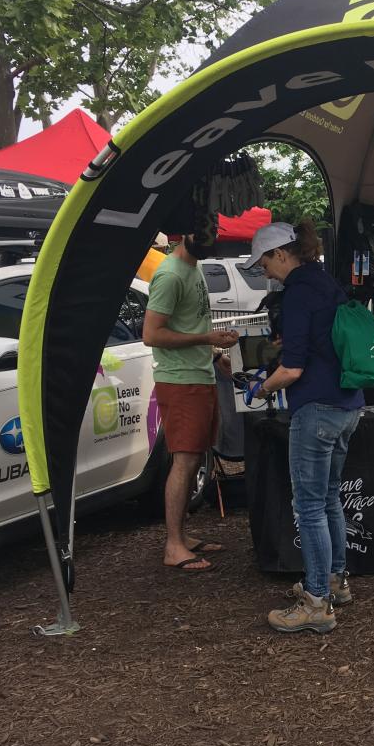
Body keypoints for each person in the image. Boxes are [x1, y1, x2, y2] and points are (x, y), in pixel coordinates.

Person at [245, 221, 364, 635]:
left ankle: (316, 602)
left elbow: (293, 369)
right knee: (329, 499)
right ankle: (335, 581)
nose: (264, 272)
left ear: (281, 254)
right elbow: (321, 344)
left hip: (315, 408)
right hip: (348, 404)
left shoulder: (296, 291)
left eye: (264, 263)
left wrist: (262, 388)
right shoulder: (326, 282)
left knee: (309, 506)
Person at [142, 227, 239, 572]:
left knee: (195, 458)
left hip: (200, 374)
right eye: (205, 231)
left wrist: (213, 352)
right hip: (180, 382)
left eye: (214, 231)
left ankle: (182, 536)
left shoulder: (193, 266)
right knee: (184, 462)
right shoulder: (169, 275)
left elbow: (186, 324)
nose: (211, 237)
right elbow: (151, 334)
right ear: (186, 233)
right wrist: (206, 337)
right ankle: (173, 546)